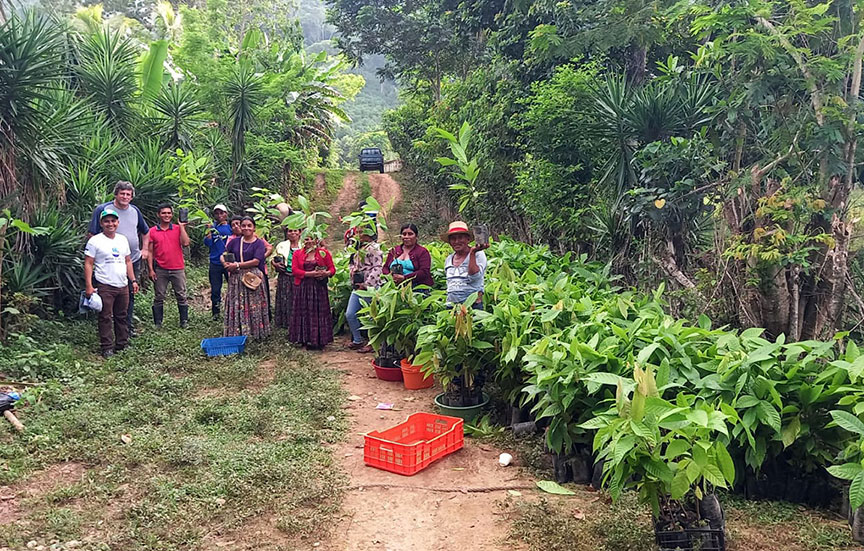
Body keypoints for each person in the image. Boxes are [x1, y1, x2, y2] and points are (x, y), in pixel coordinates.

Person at [87, 181, 149, 335]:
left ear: (132, 197)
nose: (125, 197)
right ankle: (106, 331)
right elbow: (92, 234)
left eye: (128, 194)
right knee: (106, 296)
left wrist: (145, 249)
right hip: (108, 263)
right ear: (115, 194)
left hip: (131, 260)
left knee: (129, 295)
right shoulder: (103, 209)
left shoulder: (135, 211)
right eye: (122, 193)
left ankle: (126, 329)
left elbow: (145, 231)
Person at [84, 208, 139, 358]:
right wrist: (89, 285)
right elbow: (88, 263)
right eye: (107, 221)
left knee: (122, 315)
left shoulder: (122, 240)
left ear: (118, 223)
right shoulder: (95, 241)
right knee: (105, 316)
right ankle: (107, 347)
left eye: (113, 221)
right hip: (105, 284)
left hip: (122, 284)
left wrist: (133, 280)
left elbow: (128, 261)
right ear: (101, 223)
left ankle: (122, 344)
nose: (110, 224)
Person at [222, 217, 271, 339]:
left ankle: (255, 333)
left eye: (249, 225)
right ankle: (237, 332)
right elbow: (223, 254)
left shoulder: (259, 243)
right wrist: (225, 264)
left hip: (252, 277)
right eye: (243, 225)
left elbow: (256, 261)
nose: (246, 228)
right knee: (237, 303)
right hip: (236, 278)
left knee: (254, 304)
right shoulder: (234, 242)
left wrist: (237, 265)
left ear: (254, 228)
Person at [147, 203, 190, 329]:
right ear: (158, 215)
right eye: (164, 213)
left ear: (172, 214)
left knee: (181, 295)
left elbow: (186, 243)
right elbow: (150, 252)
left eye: (169, 213)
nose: (166, 215)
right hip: (160, 269)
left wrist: (182, 227)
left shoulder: (177, 228)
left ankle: (184, 321)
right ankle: (158, 323)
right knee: (159, 296)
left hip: (177, 268)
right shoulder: (152, 231)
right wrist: (151, 269)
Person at [289, 235, 336, 349]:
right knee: (303, 312)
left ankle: (319, 340)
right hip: (303, 287)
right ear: (302, 240)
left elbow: (332, 269)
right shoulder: (297, 253)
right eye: (306, 239)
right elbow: (294, 270)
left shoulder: (323, 253)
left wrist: (326, 273)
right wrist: (310, 274)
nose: (309, 241)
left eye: (312, 239)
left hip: (319, 288)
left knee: (319, 312)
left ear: (316, 240)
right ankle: (304, 339)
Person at [346, 232, 384, 353]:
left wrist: (367, 284)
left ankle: (372, 343)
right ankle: (358, 340)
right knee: (350, 313)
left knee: (371, 315)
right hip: (358, 286)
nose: (358, 234)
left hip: (370, 288)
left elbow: (377, 268)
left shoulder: (374, 248)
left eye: (361, 231)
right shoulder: (357, 247)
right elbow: (351, 263)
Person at [443, 221, 488, 309]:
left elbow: (474, 277)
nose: (457, 241)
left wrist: (472, 253)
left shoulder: (478, 254)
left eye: (460, 238)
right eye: (453, 239)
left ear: (468, 239)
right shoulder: (449, 259)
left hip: (472, 306)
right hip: (451, 306)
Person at [382, 223, 434, 288]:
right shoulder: (394, 250)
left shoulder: (422, 252)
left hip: (416, 287)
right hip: (394, 286)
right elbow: (385, 267)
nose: (406, 237)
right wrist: (390, 277)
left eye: (410, 234)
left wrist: (404, 278)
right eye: (404, 234)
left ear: (416, 236)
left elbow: (424, 272)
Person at [204, 204, 232, 320]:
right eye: (217, 213)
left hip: (229, 262)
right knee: (215, 290)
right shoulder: (212, 227)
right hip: (215, 262)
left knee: (233, 287)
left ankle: (233, 311)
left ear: (226, 214)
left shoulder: (231, 227)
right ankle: (216, 313)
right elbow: (208, 243)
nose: (219, 215)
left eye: (222, 213)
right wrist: (208, 230)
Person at [272, 225, 303, 329]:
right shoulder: (282, 245)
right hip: (285, 276)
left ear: (300, 232)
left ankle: (300, 323)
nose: (293, 233)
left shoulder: (304, 244)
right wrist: (275, 264)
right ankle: (286, 323)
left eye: (295, 230)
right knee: (285, 299)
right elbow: (273, 258)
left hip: (301, 277)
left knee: (300, 300)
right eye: (290, 231)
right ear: (286, 233)